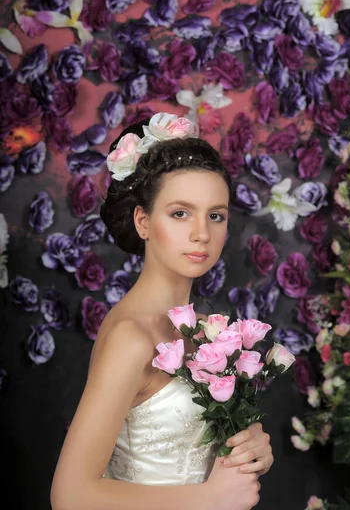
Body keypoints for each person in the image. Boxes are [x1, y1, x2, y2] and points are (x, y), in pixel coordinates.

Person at [50, 112, 273, 510]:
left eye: (215, 215)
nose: (202, 233)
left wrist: (246, 446)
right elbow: (70, 495)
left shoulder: (203, 331)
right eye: (180, 213)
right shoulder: (131, 336)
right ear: (143, 221)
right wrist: (207, 498)